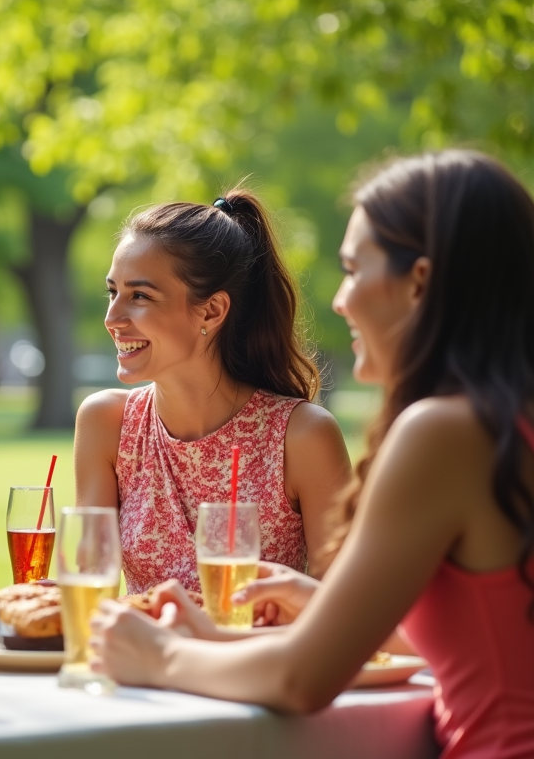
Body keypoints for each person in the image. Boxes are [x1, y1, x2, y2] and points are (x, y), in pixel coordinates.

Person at [90, 150, 534, 759]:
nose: (342, 300)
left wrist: (157, 655)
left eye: (354, 270)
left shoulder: (443, 434)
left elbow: (303, 679)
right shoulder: (505, 424)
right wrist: (320, 603)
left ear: (420, 283)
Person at [74, 192, 352, 596]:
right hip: (143, 659)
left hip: (256, 660)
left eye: (140, 296)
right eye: (112, 292)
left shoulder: (303, 436)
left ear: (212, 311)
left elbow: (343, 615)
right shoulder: (105, 423)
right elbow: (92, 593)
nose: (112, 318)